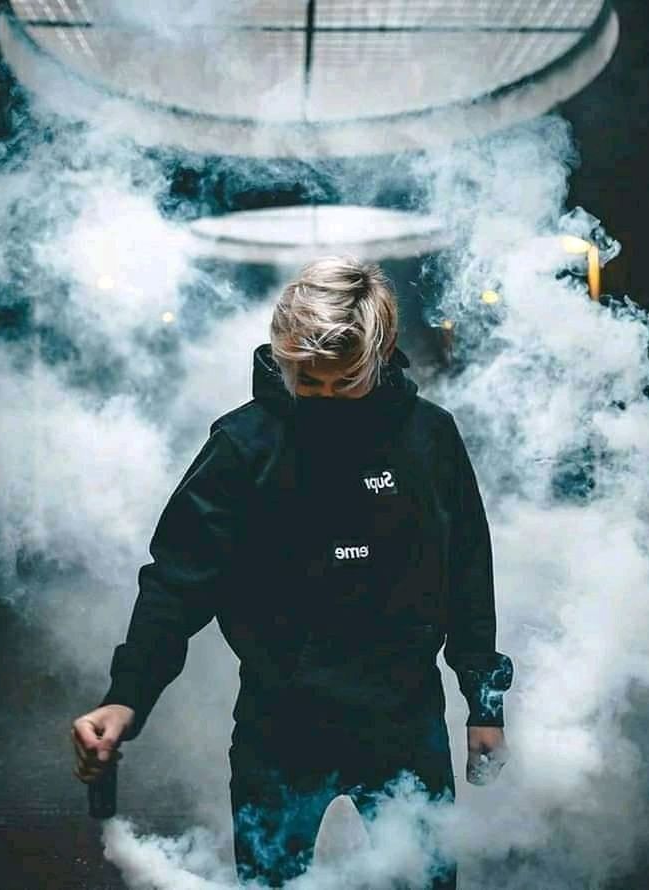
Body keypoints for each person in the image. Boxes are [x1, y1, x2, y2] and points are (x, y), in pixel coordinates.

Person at [71, 257, 513, 888]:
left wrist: (484, 704)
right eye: (308, 381)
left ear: (380, 355)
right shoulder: (242, 446)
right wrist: (128, 695)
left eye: (344, 381)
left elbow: (469, 571)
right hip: (280, 730)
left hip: (405, 726)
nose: (325, 397)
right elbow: (176, 581)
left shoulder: (430, 438)